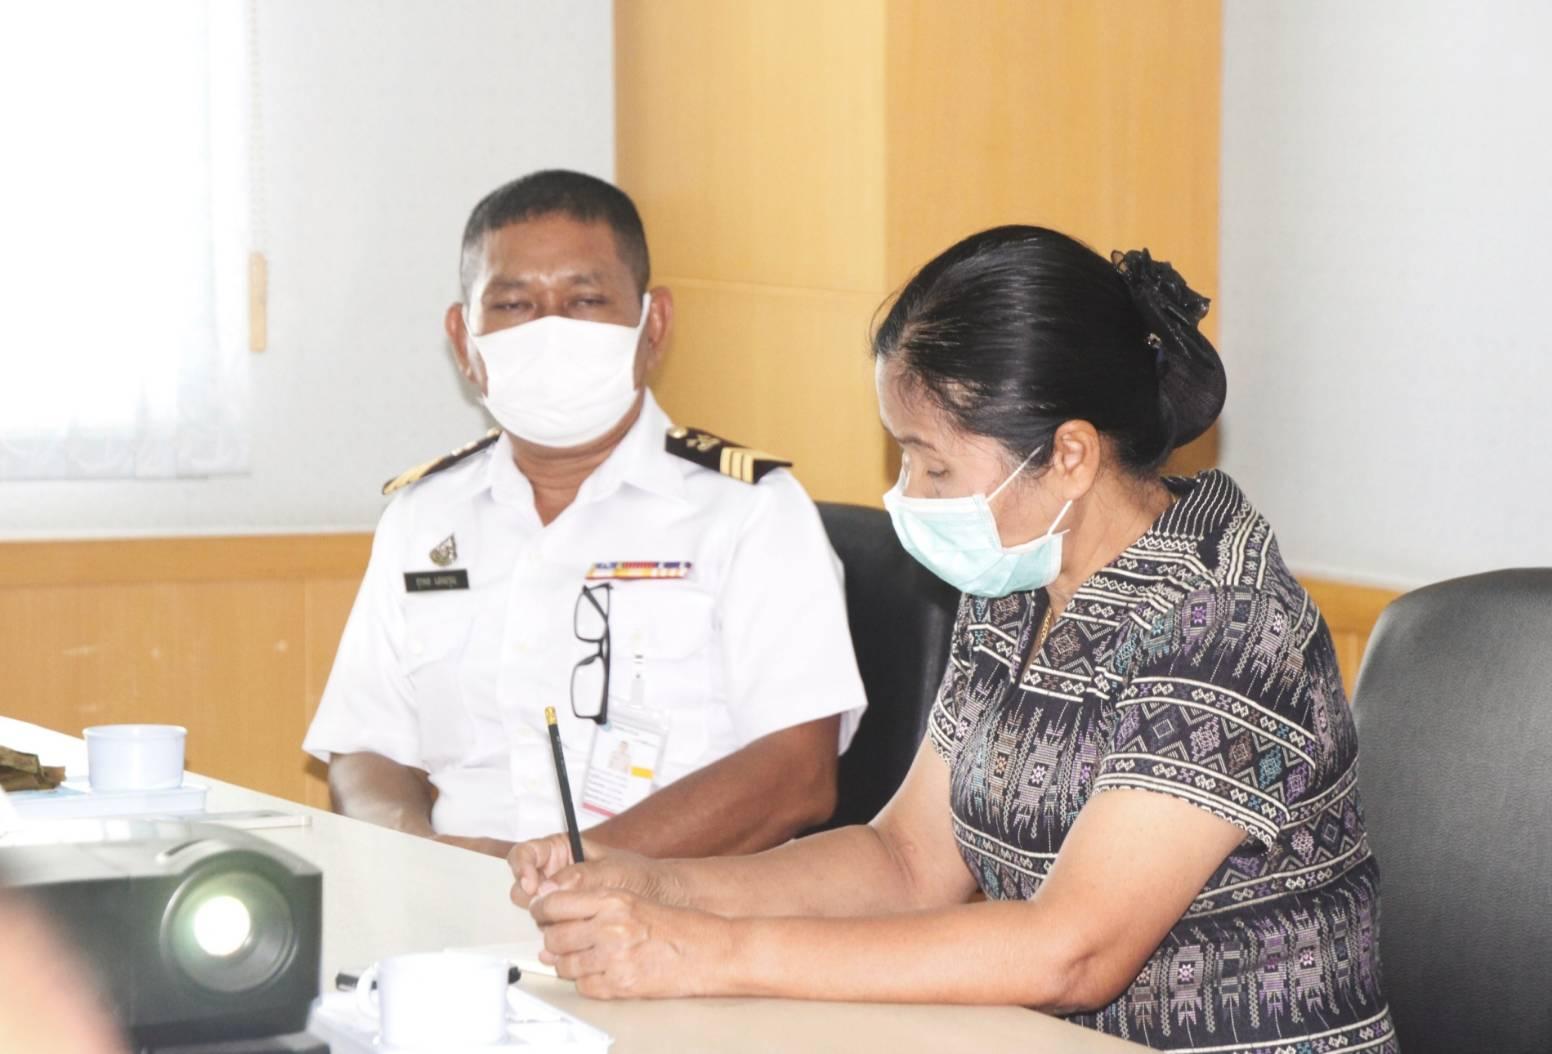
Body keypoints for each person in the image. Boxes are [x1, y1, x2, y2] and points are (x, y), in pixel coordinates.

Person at [507, 226, 1395, 1053]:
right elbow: (905, 861)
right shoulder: (1019, 576)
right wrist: (652, 883)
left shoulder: (1226, 622)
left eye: (934, 464)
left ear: (1070, 456)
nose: (912, 495)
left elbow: (1073, 951)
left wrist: (707, 952)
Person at [304, 170, 867, 858]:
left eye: (586, 300)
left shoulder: (750, 513)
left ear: (653, 326)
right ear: (464, 340)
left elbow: (796, 774)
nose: (551, 331)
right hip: (456, 895)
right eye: (514, 304)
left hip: (676, 904)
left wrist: (573, 870)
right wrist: (417, 854)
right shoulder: (423, 519)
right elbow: (365, 750)